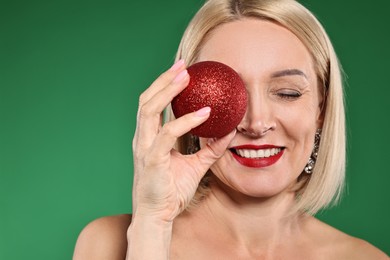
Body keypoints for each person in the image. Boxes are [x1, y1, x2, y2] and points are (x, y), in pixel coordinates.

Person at [73, 0, 388, 259]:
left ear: (322, 109)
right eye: (228, 95)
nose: (257, 123)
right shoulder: (108, 244)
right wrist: (153, 225)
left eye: (287, 93)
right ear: (185, 105)